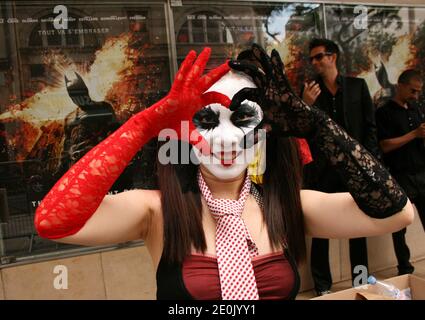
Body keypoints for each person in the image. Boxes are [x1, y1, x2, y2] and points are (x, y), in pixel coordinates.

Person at [34, 45, 414, 300]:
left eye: (243, 117)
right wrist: (144, 125)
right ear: (184, 129)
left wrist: (315, 124)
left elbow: (398, 212)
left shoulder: (289, 205)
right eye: (207, 118)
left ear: (265, 129)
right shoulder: (156, 210)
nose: (228, 137)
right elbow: (53, 221)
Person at [301, 38, 381, 296]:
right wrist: (305, 105)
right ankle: (323, 288)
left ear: (332, 57)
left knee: (357, 230)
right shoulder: (311, 92)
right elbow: (301, 130)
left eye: (319, 56)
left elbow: (370, 128)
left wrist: (368, 164)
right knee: (321, 232)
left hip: (354, 171)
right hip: (323, 173)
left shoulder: (357, 87)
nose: (315, 62)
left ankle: (360, 282)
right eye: (312, 58)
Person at [375, 69, 425, 275]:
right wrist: (413, 134)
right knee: (399, 228)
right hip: (399, 175)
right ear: (400, 86)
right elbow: (384, 145)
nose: (416, 96)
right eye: (412, 91)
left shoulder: (416, 110)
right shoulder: (384, 112)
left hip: (421, 173)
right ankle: (404, 268)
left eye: (418, 92)